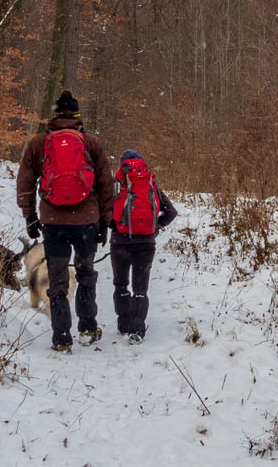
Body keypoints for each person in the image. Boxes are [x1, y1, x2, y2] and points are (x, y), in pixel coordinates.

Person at [17, 91, 114, 350]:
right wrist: (105, 222)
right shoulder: (91, 143)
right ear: (77, 115)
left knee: (57, 280)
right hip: (87, 221)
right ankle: (88, 328)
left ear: (54, 114)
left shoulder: (39, 143)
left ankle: (61, 338)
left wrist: (30, 215)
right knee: (85, 274)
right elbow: (106, 185)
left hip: (53, 221)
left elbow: (25, 181)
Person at [108, 148, 178, 342]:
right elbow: (171, 212)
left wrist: (115, 226)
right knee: (140, 287)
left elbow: (104, 212)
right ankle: (137, 329)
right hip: (146, 244)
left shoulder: (116, 185)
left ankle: (123, 324)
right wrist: (154, 227)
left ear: (122, 165)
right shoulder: (151, 185)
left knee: (120, 284)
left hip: (120, 242)